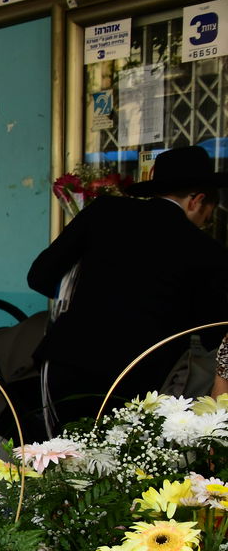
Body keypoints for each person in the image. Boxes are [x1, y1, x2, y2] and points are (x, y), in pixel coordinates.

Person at [29, 145, 228, 429]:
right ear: (196, 200)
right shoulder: (207, 251)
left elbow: (39, 276)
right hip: (141, 378)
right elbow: (213, 334)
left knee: (60, 457)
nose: (206, 223)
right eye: (208, 215)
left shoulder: (104, 211)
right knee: (120, 467)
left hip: (68, 361)